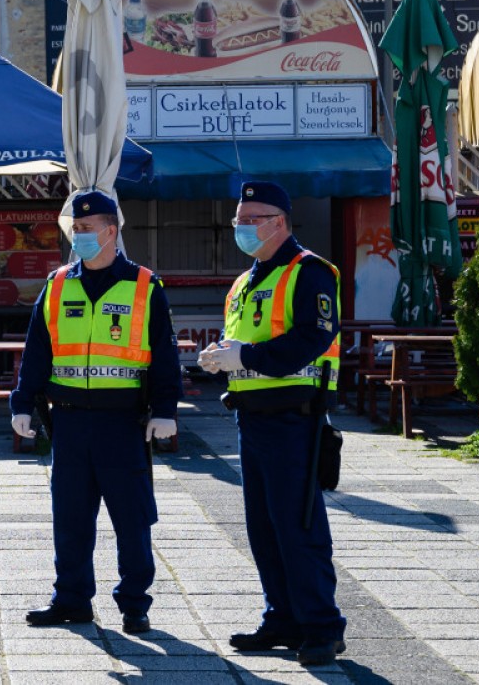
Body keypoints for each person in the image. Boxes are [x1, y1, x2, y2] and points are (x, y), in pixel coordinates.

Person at [10, 191, 182, 636]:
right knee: (69, 516)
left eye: (87, 229)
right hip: (67, 421)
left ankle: (134, 604)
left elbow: (164, 355)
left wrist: (166, 410)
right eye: (75, 230)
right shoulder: (57, 283)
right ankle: (71, 600)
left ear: (112, 231)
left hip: (124, 423)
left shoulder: (145, 286)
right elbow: (37, 351)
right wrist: (22, 402)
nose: (79, 236)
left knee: (131, 518)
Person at [197, 181, 346, 667]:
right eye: (237, 219)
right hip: (251, 418)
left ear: (279, 222)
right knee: (263, 529)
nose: (240, 227)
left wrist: (247, 355)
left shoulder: (311, 273)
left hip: (293, 419)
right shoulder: (245, 282)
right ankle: (281, 618)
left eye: (250, 219)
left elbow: (309, 341)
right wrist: (221, 357)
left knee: (297, 526)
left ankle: (322, 627)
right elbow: (242, 341)